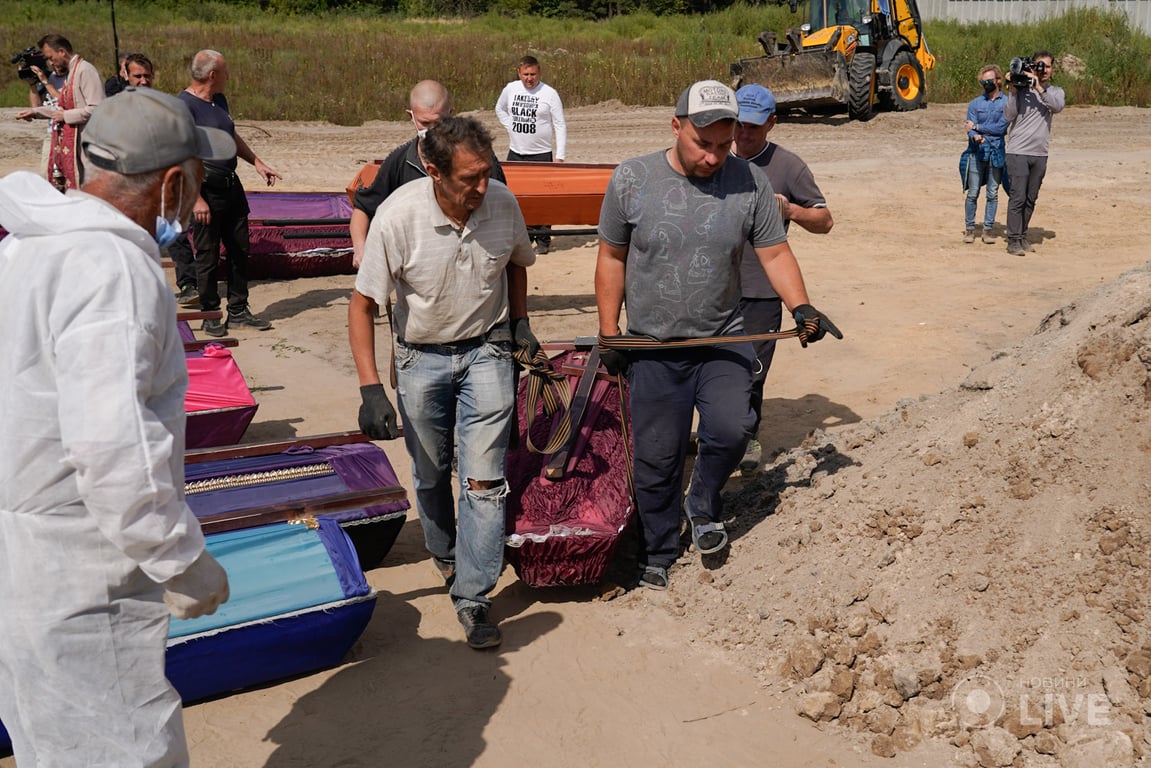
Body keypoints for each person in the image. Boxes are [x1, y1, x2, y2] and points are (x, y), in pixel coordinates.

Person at [0, 86, 232, 766]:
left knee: (51, 736)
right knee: (121, 744)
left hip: (22, 547)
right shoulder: (113, 269)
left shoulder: (27, 246)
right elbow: (110, 443)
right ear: (170, 183)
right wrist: (180, 558)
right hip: (82, 557)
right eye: (194, 176)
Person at [595, 80, 840, 591]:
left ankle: (703, 503)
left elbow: (773, 252)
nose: (712, 156)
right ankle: (659, 549)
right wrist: (608, 333)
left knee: (733, 430)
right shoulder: (632, 179)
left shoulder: (749, 183)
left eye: (723, 145)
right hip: (654, 344)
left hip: (724, 335)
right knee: (657, 456)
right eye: (701, 144)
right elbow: (611, 257)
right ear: (676, 125)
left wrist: (803, 305)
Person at [349, 115, 539, 650]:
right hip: (421, 360)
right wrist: (370, 388)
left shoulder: (500, 201)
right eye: (468, 179)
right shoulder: (398, 216)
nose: (482, 188)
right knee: (431, 474)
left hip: (486, 351)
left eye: (487, 174)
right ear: (433, 172)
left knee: (483, 480)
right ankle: (447, 553)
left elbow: (516, 263)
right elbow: (362, 305)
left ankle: (474, 596)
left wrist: (520, 322)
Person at [732, 84, 834, 476]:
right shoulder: (713, 157)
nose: (743, 134)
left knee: (751, 372)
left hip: (761, 290)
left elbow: (824, 220)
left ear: (772, 123)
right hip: (713, 289)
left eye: (752, 128)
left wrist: (791, 210)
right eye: (738, 125)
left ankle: (748, 437)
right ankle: (720, 433)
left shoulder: (789, 167)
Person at [174, 49, 281, 335]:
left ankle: (238, 310)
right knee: (207, 255)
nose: (228, 76)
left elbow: (230, 134)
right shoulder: (182, 107)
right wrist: (196, 199)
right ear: (212, 75)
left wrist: (257, 162)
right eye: (225, 71)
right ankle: (210, 315)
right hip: (204, 187)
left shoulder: (219, 100)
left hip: (230, 184)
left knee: (239, 249)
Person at [350, 80, 506, 269]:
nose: (431, 131)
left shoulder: (477, 158)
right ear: (411, 116)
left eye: (439, 123)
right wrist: (361, 250)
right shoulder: (400, 161)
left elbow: (502, 207)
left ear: (451, 114)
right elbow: (364, 208)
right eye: (424, 123)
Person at [495, 54, 566, 254]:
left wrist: (560, 156)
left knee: (543, 199)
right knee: (517, 198)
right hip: (516, 154)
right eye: (525, 74)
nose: (529, 78)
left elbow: (559, 124)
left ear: (539, 72)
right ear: (519, 72)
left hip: (541, 155)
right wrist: (510, 126)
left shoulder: (549, 94)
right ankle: (524, 237)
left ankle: (543, 240)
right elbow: (499, 109)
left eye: (533, 74)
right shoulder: (510, 89)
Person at [15, 34, 103, 192]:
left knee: (85, 190)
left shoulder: (85, 70)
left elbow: (97, 108)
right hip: (69, 142)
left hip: (85, 144)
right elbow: (62, 107)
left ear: (62, 51)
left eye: (51, 57)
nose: (50, 62)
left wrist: (66, 116)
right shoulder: (72, 71)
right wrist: (35, 112)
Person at [1003, 50, 1064, 256]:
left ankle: (1022, 236)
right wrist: (1012, 90)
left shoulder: (1055, 91)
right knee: (1018, 197)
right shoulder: (1020, 90)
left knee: (1031, 198)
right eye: (1039, 66)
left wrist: (1038, 87)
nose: (1043, 70)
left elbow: (1057, 107)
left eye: (1047, 66)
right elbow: (1008, 115)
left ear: (1052, 69)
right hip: (1018, 150)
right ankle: (1012, 240)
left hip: (1040, 153)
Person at [962, 65, 1008, 245]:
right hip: (977, 152)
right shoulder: (975, 104)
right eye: (983, 81)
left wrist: (978, 128)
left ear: (998, 80)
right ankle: (969, 229)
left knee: (992, 193)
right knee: (972, 192)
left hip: (996, 151)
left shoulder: (1007, 103)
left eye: (989, 80)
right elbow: (969, 128)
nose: (986, 84)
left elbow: (1001, 128)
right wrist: (974, 135)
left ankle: (987, 230)